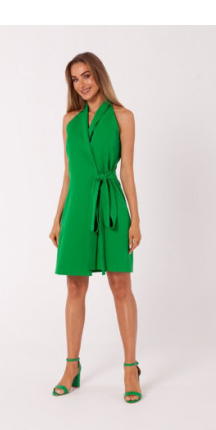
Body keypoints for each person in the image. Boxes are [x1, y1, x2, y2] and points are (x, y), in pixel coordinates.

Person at [49, 52, 142, 403]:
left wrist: (136, 219)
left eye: (86, 75)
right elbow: (69, 174)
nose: (81, 84)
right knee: (75, 286)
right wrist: (57, 217)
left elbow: (127, 171)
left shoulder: (123, 117)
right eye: (75, 79)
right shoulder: (69, 121)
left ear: (99, 75)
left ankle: (130, 368)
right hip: (77, 209)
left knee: (121, 285)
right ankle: (71, 366)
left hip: (112, 206)